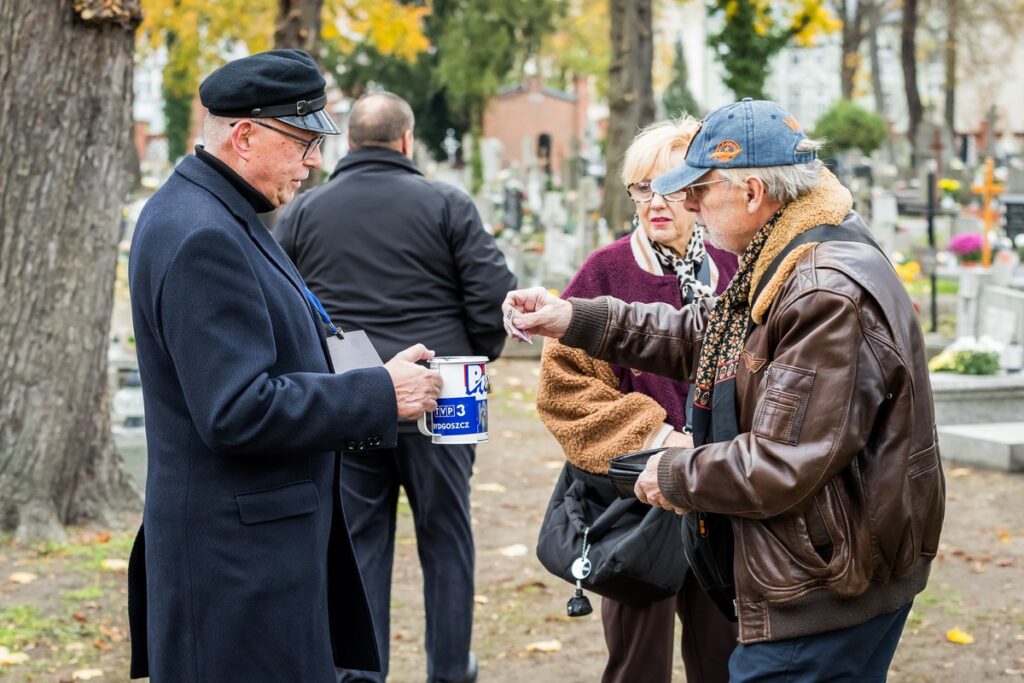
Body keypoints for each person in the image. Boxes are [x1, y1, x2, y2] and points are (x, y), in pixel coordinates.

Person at [504, 98, 944, 682]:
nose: (684, 204)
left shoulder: (819, 290)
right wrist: (574, 319)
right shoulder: (789, 252)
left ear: (752, 192)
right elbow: (707, 336)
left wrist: (665, 471)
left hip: (821, 585)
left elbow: (782, 463)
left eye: (698, 190)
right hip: (826, 564)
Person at [126, 51, 443, 683]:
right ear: (244, 136)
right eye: (302, 142)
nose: (315, 162)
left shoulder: (217, 211)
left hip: (255, 558)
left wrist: (370, 374)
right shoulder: (202, 234)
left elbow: (270, 352)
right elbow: (236, 410)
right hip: (236, 570)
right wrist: (377, 394)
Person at [275, 91, 516, 683]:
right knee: (447, 535)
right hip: (442, 395)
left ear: (348, 142)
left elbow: (282, 301)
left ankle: (360, 673)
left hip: (354, 396)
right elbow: (492, 293)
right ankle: (451, 669)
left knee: (359, 542)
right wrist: (468, 359)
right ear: (407, 141)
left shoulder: (305, 212)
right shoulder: (447, 204)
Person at [535, 119, 738, 683]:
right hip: (636, 504)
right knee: (637, 665)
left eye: (672, 187)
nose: (656, 203)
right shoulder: (604, 272)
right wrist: (661, 441)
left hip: (724, 495)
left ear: (702, 190)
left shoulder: (736, 268)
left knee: (726, 657)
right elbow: (566, 392)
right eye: (643, 188)